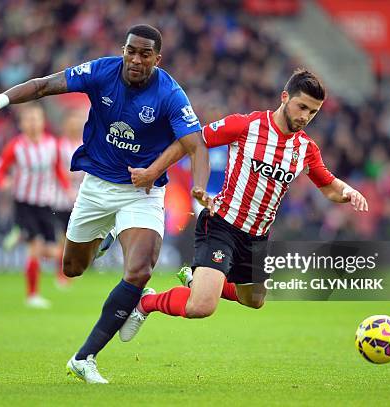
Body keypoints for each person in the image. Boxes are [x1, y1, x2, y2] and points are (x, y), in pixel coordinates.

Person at [0, 24, 210, 384]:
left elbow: (196, 144)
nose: (135, 59)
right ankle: (104, 239)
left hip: (142, 192)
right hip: (96, 188)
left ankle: (85, 356)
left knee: (139, 270)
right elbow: (44, 85)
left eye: (144, 54)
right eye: (130, 50)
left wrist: (198, 190)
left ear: (158, 58)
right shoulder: (102, 72)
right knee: (73, 268)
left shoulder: (169, 92)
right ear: (123, 50)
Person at [119, 69, 368, 342]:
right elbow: (194, 141)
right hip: (221, 224)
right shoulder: (246, 126)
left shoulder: (306, 150)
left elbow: (329, 186)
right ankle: (147, 303)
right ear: (285, 97)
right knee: (201, 307)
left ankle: (200, 280)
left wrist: (348, 192)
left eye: (313, 112)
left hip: (256, 237)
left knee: (254, 300)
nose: (305, 117)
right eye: (302, 107)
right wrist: (154, 172)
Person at [0, 103, 70, 309]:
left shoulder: (53, 144)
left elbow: (58, 170)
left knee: (52, 252)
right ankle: (32, 295)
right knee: (35, 248)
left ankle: (19, 234)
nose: (33, 123)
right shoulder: (16, 146)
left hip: (45, 204)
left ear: (43, 122)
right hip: (24, 203)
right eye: (29, 120)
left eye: (37, 119)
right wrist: (2, 182)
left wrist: (67, 188)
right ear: (22, 124)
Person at [50, 111, 86, 288]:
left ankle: (69, 270)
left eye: (77, 124)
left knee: (73, 238)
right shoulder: (59, 146)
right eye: (71, 124)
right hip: (61, 199)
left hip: (80, 198)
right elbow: (55, 169)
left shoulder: (85, 144)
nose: (74, 127)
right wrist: (65, 184)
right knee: (63, 239)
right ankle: (62, 273)